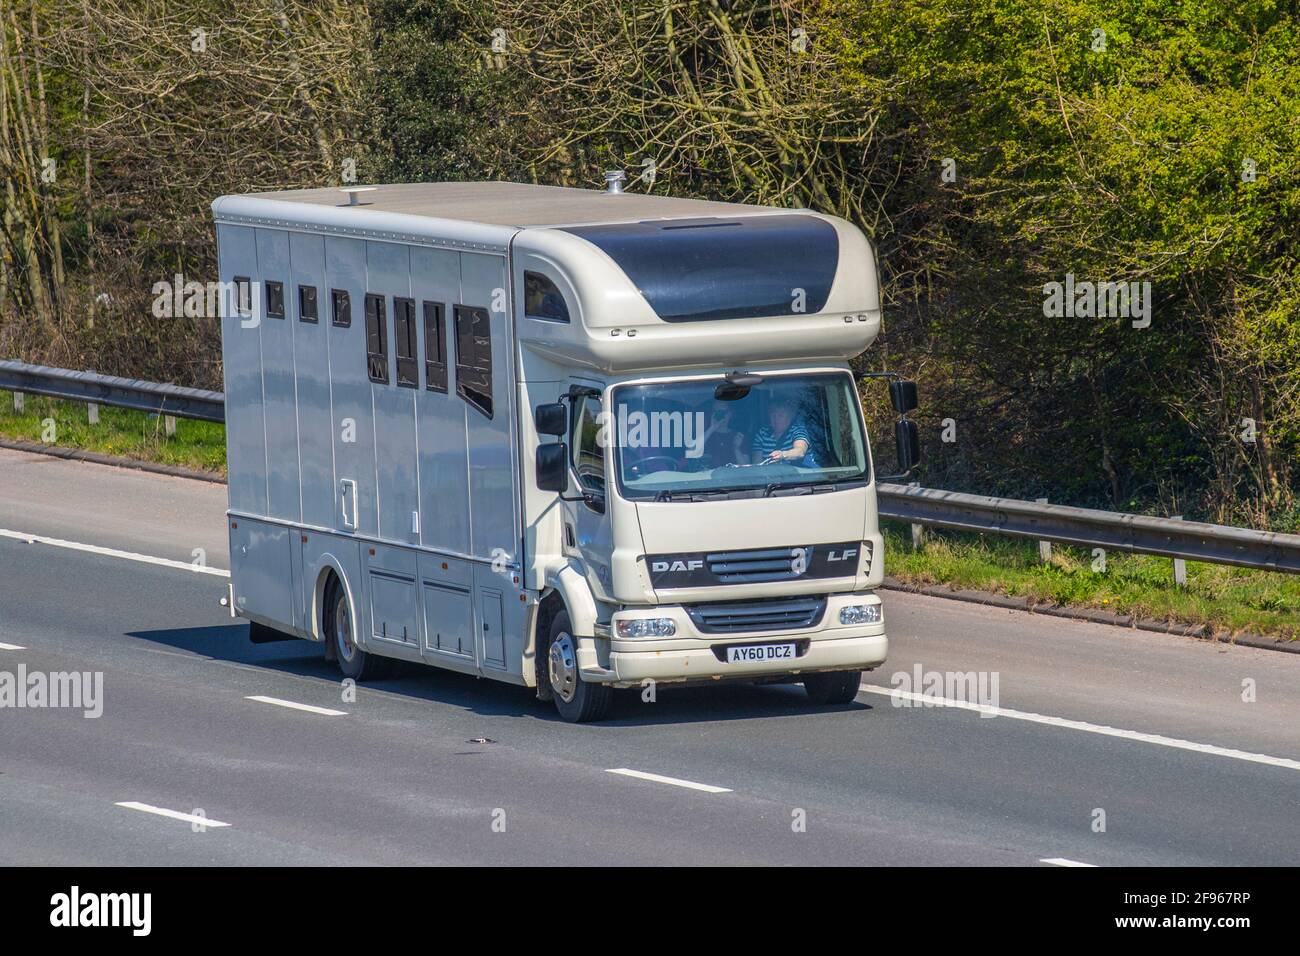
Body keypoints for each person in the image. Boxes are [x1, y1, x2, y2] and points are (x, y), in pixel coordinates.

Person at [751, 398, 818, 468]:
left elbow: (800, 451)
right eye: (773, 415)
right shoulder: (762, 433)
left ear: (789, 417)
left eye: (780, 415)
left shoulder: (798, 430)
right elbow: (757, 464)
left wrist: (782, 455)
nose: (776, 419)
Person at [701, 401, 748, 466]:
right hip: (708, 475)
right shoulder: (706, 435)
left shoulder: (738, 436)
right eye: (718, 412)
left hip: (733, 475)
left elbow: (746, 468)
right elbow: (692, 452)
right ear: (712, 414)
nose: (722, 416)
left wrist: (736, 448)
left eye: (724, 412)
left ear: (730, 414)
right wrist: (712, 428)